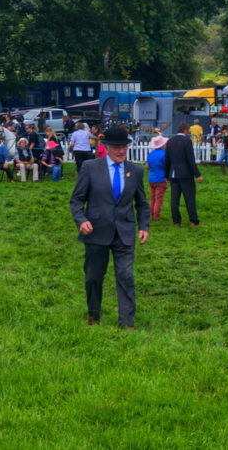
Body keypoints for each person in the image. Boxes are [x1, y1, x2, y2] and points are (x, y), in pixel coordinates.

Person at [69, 125, 149, 329]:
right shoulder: (90, 168)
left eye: (124, 146)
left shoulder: (136, 171)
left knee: (126, 275)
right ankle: (94, 315)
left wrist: (144, 226)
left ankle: (127, 323)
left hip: (124, 233)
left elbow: (141, 203)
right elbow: (76, 200)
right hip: (96, 231)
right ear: (106, 147)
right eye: (116, 147)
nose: (121, 151)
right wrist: (81, 220)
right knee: (94, 278)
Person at [163, 122, 204, 227]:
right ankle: (194, 221)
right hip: (186, 174)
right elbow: (190, 160)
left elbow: (166, 160)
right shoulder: (187, 141)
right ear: (185, 130)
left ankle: (176, 221)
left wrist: (166, 175)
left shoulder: (170, 141)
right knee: (189, 199)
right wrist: (198, 174)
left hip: (173, 174)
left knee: (174, 199)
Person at [145, 135, 168, 221]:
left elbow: (147, 167)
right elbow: (166, 166)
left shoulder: (150, 154)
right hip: (161, 179)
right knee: (159, 199)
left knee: (152, 198)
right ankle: (156, 216)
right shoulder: (165, 154)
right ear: (162, 145)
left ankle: (151, 214)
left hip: (151, 178)